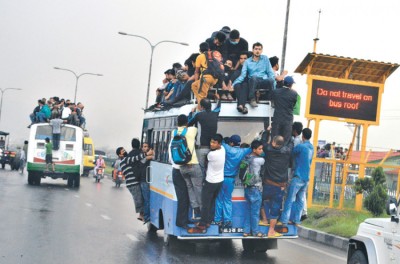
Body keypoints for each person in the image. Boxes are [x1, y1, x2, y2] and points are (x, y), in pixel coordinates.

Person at [188, 134, 225, 233]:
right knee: (212, 202)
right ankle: (209, 221)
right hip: (219, 181)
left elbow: (204, 161)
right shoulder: (223, 150)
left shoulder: (212, 155)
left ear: (219, 144)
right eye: (211, 142)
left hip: (210, 182)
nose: (211, 144)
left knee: (205, 203)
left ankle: (202, 224)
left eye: (214, 143)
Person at [214, 134, 252, 228]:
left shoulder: (227, 148)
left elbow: (220, 142)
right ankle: (228, 220)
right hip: (231, 180)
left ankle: (217, 220)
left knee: (219, 199)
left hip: (221, 178)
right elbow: (252, 148)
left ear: (231, 142)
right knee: (227, 199)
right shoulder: (242, 151)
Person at [280, 128, 314, 226]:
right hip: (306, 178)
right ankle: (296, 220)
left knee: (289, 199)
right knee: (300, 200)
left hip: (298, 176)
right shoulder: (312, 147)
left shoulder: (301, 146)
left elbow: (292, 152)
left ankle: (284, 220)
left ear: (302, 136)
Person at [262, 135, 293, 237]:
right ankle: (271, 230)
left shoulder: (268, 150)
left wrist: (267, 131)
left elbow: (263, 141)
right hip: (280, 186)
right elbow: (290, 143)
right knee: (275, 208)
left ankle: (264, 219)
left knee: (261, 200)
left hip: (267, 184)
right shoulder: (287, 151)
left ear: (274, 143)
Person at [173, 114, 203, 219]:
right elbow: (193, 121)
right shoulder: (192, 130)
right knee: (198, 188)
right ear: (186, 123)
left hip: (182, 166)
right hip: (193, 164)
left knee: (190, 188)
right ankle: (202, 210)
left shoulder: (174, 132)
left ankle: (195, 208)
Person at [232, 42, 276, 108]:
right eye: (256, 49)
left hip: (263, 80)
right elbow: (242, 75)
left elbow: (270, 72)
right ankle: (252, 99)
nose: (257, 51)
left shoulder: (265, 58)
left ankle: (272, 99)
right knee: (254, 77)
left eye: (259, 49)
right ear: (253, 50)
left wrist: (273, 81)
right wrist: (233, 84)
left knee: (271, 79)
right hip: (253, 81)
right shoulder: (247, 61)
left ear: (261, 50)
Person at [188, 96, 221, 176]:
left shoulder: (199, 115)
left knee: (201, 169)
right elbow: (219, 107)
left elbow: (189, 123)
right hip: (214, 148)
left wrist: (191, 113)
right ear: (210, 106)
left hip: (203, 147)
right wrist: (219, 99)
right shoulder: (215, 113)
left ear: (202, 107)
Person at [120, 138, 150, 222]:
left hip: (135, 181)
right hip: (135, 181)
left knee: (140, 198)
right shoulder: (128, 158)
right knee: (140, 199)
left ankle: (142, 215)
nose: (124, 151)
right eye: (122, 151)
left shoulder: (129, 156)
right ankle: (143, 215)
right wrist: (147, 155)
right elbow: (138, 159)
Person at [242, 140, 265, 237]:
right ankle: (256, 232)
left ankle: (246, 231)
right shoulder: (259, 160)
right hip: (256, 188)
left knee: (248, 210)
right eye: (259, 149)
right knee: (255, 212)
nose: (261, 150)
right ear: (254, 149)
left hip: (247, 187)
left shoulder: (245, 158)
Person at [169, 135, 191, 230]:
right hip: (182, 171)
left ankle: (184, 220)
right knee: (184, 197)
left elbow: (170, 159)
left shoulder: (172, 143)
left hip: (176, 171)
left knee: (183, 197)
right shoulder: (185, 142)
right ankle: (181, 222)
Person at [270, 76, 298, 144]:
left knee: (274, 139)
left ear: (283, 82)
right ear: (291, 84)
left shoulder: (276, 92)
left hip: (277, 118)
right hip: (287, 120)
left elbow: (272, 98)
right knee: (286, 141)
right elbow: (293, 105)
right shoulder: (294, 94)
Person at [191, 42, 219, 108]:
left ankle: (201, 110)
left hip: (206, 78)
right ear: (209, 49)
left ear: (200, 50)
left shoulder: (200, 56)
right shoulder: (215, 55)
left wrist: (196, 80)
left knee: (201, 97)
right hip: (215, 79)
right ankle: (212, 95)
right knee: (194, 85)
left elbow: (197, 72)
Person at [140, 142, 154, 223]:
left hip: (149, 180)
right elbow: (143, 161)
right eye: (144, 147)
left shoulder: (146, 155)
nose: (145, 148)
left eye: (146, 146)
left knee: (148, 200)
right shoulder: (141, 155)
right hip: (143, 181)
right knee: (146, 200)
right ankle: (146, 217)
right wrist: (150, 156)